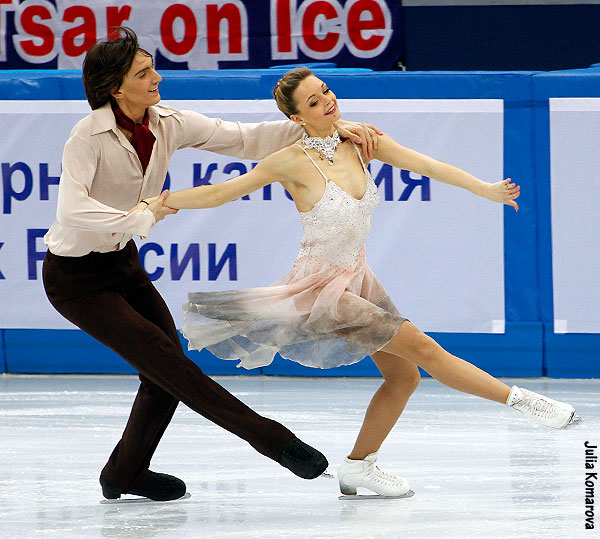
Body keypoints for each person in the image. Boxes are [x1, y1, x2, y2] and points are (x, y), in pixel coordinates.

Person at [139, 66, 582, 498]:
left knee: (404, 377)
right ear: (296, 118)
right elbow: (223, 192)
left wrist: (484, 188)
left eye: (327, 91)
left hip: (358, 277)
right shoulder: (288, 161)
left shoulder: (362, 143)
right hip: (323, 289)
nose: (328, 101)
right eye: (314, 101)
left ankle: (357, 467)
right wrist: (161, 202)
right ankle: (525, 402)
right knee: (426, 351)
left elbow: (427, 164)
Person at [42, 29, 381, 502]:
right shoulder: (88, 135)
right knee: (173, 370)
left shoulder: (168, 122)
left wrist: (320, 128)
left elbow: (243, 139)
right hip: (76, 280)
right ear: (116, 89)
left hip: (123, 264)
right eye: (144, 74)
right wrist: (139, 215)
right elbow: (72, 211)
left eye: (152, 67)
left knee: (163, 373)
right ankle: (273, 440)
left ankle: (124, 473)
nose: (157, 77)